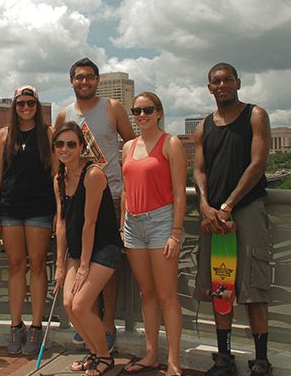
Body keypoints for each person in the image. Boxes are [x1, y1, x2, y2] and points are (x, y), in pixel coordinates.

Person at [194, 62, 273, 376]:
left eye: (228, 79)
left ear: (238, 82)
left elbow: (258, 164)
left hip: (247, 208)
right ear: (209, 87)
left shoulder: (255, 115)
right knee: (219, 287)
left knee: (253, 287)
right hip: (213, 215)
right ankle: (223, 358)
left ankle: (261, 360)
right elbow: (199, 169)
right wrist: (204, 203)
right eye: (216, 81)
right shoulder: (203, 126)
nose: (223, 84)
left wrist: (228, 204)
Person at [55, 57, 135, 351]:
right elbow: (59, 158)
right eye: (79, 77)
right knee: (80, 258)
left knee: (106, 265)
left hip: (111, 195)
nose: (84, 81)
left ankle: (108, 322)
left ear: (97, 80)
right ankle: (88, 319)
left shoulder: (111, 108)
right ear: (72, 81)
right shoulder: (65, 114)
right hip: (79, 198)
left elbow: (131, 144)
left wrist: (131, 189)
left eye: (90, 77)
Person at [0, 85, 56, 355]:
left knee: (38, 265)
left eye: (30, 103)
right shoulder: (4, 135)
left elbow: (55, 175)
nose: (25, 108)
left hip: (40, 208)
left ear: (37, 106)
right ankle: (16, 325)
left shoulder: (48, 134)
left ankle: (36, 326)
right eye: (20, 103)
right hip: (10, 209)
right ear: (13, 107)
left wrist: (58, 213)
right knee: (15, 265)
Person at [121, 92, 186, 376]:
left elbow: (180, 193)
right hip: (133, 225)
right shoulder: (128, 147)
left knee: (167, 295)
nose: (142, 115)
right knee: (146, 293)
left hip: (161, 222)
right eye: (136, 111)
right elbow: (125, 188)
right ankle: (151, 354)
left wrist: (175, 231)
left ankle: (174, 361)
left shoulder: (170, 143)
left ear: (159, 112)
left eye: (148, 110)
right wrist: (123, 222)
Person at [53, 122, 123, 376]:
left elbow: (90, 223)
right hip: (76, 249)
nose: (65, 149)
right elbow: (61, 223)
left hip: (104, 247)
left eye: (71, 144)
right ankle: (94, 353)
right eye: (60, 144)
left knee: (81, 304)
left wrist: (83, 266)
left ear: (82, 147)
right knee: (69, 304)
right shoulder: (59, 179)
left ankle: (105, 357)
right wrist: (61, 265)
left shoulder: (93, 175)